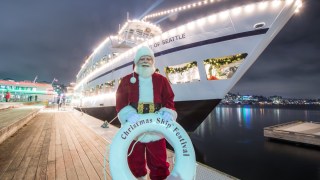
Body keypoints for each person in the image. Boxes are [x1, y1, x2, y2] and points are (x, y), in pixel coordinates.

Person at [116, 46, 177, 180]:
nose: (145, 61)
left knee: (159, 162)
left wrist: (168, 112)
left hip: (156, 129)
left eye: (148, 58)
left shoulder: (161, 80)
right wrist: (128, 114)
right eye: (142, 58)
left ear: (152, 61)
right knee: (134, 162)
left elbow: (169, 99)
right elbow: (120, 101)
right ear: (136, 61)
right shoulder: (127, 80)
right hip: (134, 129)